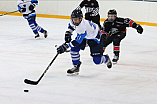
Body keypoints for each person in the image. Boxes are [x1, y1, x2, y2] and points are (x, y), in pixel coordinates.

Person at [57, 9, 112, 76]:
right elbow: (71, 26)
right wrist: (68, 33)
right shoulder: (73, 21)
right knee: (74, 49)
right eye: (73, 19)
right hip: (86, 34)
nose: (75, 21)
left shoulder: (82, 27)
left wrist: (65, 46)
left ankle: (106, 59)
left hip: (94, 37)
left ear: (80, 19)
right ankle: (76, 66)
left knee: (97, 60)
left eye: (76, 19)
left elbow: (77, 41)